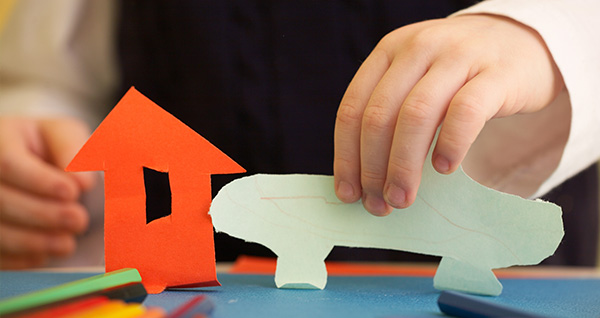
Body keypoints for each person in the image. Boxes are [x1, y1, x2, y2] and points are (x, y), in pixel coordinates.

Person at [1, 0, 599, 270]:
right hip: (194, 301)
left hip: (518, 305)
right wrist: (32, 141)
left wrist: (552, 38)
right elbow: (51, 75)